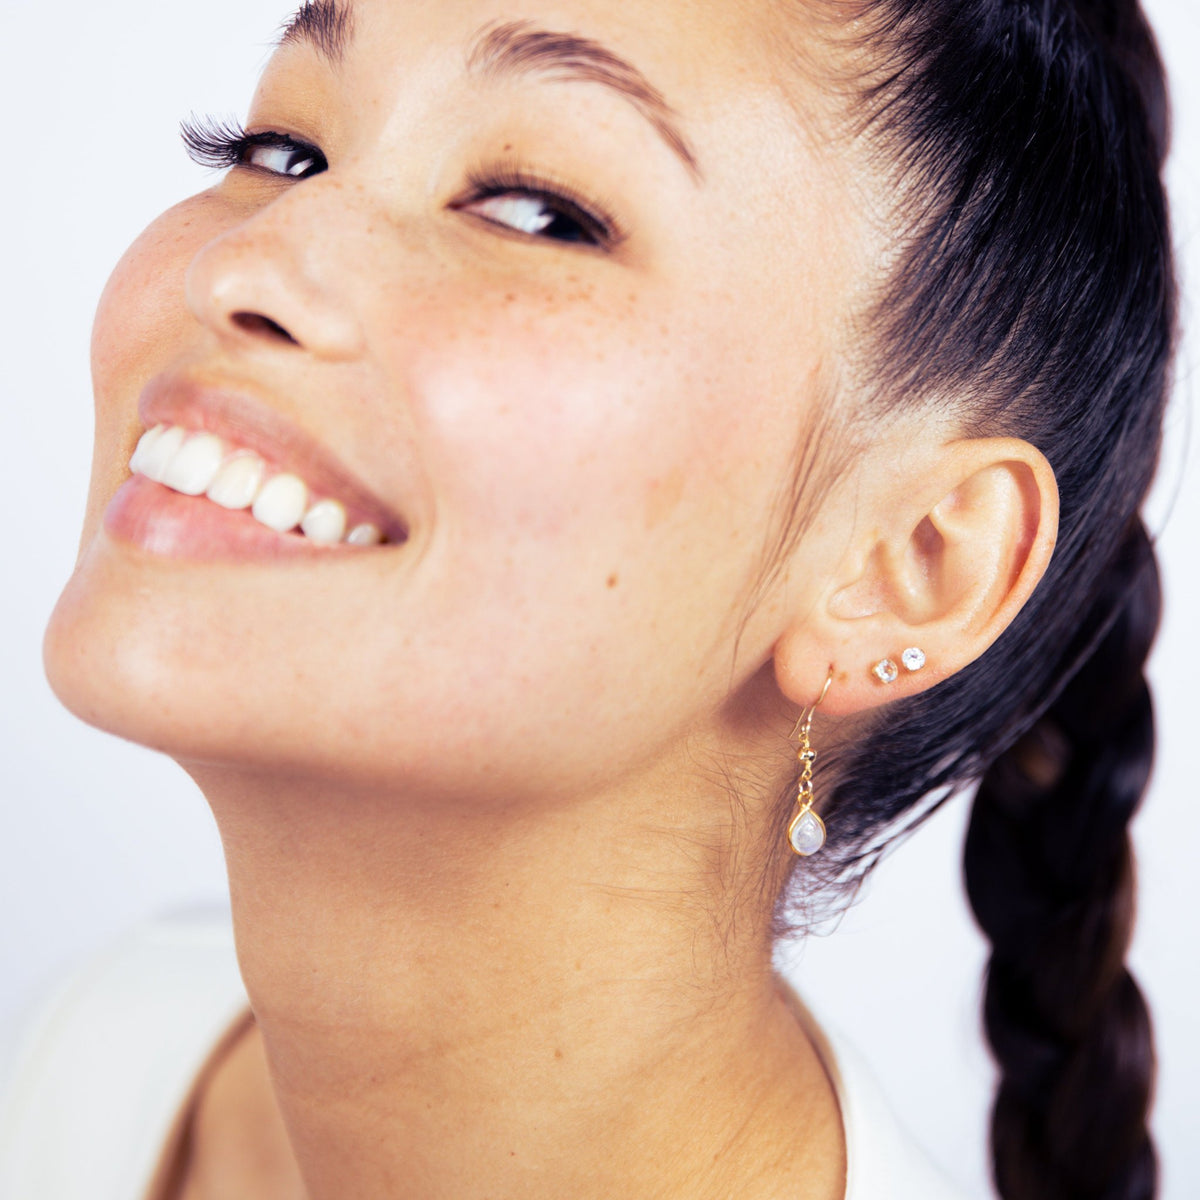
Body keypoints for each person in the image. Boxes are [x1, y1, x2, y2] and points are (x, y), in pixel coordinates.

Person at [0, 0, 1176, 1197]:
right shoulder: (94, 1058)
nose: (241, 263)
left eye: (537, 210)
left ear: (906, 567)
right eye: (283, 150)